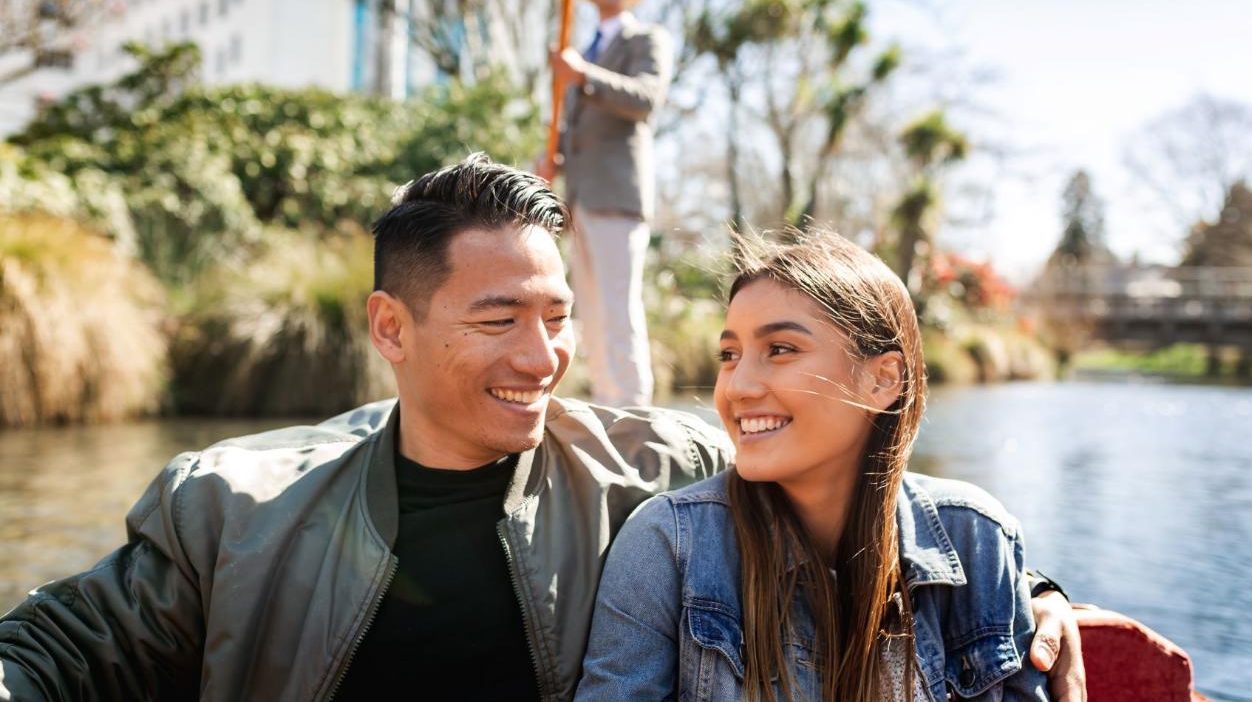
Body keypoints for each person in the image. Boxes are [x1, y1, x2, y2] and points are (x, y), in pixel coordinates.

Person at [0, 157, 1082, 701]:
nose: (542, 356)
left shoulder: (660, 467)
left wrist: (1037, 591)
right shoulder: (232, 503)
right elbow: (52, 647)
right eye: (498, 318)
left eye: (558, 316)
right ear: (392, 325)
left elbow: (853, 482)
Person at [577, 229, 1059, 701]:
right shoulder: (669, 546)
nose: (738, 385)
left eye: (780, 349)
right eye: (729, 354)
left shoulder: (977, 538)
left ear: (882, 380)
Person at [547, 0, 673, 408]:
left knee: (619, 310)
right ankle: (606, 405)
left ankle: (635, 415)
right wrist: (554, 155)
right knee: (590, 313)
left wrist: (582, 75)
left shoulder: (645, 40)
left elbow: (645, 99)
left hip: (618, 195)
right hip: (579, 197)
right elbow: (575, 126)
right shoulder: (583, 51)